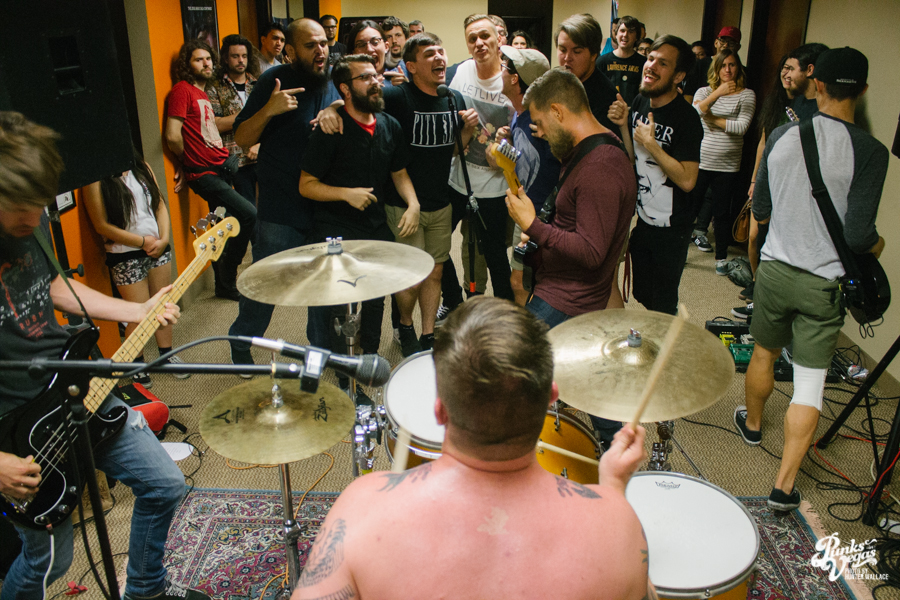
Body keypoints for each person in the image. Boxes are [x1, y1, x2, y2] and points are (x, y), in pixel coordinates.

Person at [291, 296, 653, 600]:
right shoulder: (615, 525)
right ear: (551, 398)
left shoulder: (363, 509)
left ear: (439, 410)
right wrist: (613, 489)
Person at [0, 111, 203, 600]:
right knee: (50, 561)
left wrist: (139, 310)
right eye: (20, 207)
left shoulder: (32, 219)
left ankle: (146, 590)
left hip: (72, 387)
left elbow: (52, 284)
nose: (34, 216)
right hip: (14, 428)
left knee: (164, 485)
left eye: (40, 203)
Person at [733, 47, 888, 512]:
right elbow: (859, 236)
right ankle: (783, 487)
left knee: (764, 351)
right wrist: (878, 246)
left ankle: (753, 426)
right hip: (823, 284)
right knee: (809, 382)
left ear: (817, 84)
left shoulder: (783, 135)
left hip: (776, 271)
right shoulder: (871, 152)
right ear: (862, 90)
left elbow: (761, 209)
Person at [505, 68, 636, 447]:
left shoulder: (600, 167)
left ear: (558, 111)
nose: (540, 133)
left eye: (541, 123)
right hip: (570, 292)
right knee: (594, 389)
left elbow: (592, 252)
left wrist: (533, 226)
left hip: (568, 299)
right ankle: (615, 456)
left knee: (508, 373)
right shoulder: (590, 150)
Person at [226, 18, 340, 370]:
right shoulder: (272, 81)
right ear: (290, 51)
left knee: (323, 289)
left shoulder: (336, 79)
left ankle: (319, 353)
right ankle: (242, 341)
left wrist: (335, 109)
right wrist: (269, 110)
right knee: (267, 284)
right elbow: (242, 138)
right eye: (310, 45)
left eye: (323, 43)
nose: (320, 51)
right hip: (280, 207)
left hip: (323, 205)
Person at [299, 54, 420, 372]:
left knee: (375, 297)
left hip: (374, 226)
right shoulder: (331, 128)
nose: (376, 82)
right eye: (365, 78)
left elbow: (399, 173)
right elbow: (306, 185)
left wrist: (413, 204)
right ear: (345, 89)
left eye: (375, 76)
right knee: (342, 304)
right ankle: (344, 368)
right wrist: (345, 194)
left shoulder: (389, 125)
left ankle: (368, 357)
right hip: (335, 228)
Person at [380, 33, 478, 355]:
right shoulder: (397, 97)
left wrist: (467, 130)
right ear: (411, 66)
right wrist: (333, 109)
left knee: (435, 271)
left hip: (440, 202)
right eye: (429, 54)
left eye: (440, 51)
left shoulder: (453, 99)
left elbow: (453, 151)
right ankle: (404, 326)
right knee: (412, 274)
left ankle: (427, 333)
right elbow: (356, 101)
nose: (439, 58)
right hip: (403, 203)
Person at [608, 35, 702, 316]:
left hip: (672, 230)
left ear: (679, 76)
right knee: (643, 295)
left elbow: (688, 180)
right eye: (650, 58)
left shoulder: (687, 118)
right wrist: (624, 125)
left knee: (663, 306)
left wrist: (652, 145)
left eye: (663, 63)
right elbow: (632, 159)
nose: (651, 66)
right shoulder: (641, 101)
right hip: (643, 221)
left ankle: (666, 344)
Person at [83, 147, 189, 388]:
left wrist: (163, 239)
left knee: (163, 304)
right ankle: (136, 362)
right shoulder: (95, 179)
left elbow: (160, 205)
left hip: (158, 248)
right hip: (125, 254)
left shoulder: (142, 167)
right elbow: (101, 225)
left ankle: (166, 354)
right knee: (137, 313)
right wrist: (142, 242)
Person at [165, 39, 257, 302]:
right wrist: (186, 162)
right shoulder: (182, 90)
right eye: (198, 60)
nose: (206, 64)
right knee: (249, 214)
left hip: (221, 167)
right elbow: (173, 135)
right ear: (187, 65)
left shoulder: (202, 93)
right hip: (202, 172)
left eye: (208, 59)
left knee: (221, 226)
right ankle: (229, 275)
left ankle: (223, 284)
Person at [440, 13, 516, 312]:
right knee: (437, 247)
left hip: (494, 186)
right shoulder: (461, 71)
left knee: (495, 256)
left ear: (499, 39)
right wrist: (462, 125)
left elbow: (522, 139)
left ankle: (506, 317)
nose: (479, 43)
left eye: (485, 36)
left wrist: (505, 144)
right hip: (457, 179)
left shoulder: (510, 78)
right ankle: (453, 302)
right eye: (472, 38)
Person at [492, 46, 559, 306]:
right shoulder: (520, 115)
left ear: (515, 78)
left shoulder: (540, 119)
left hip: (540, 216)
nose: (499, 71)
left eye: (503, 67)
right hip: (526, 210)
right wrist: (508, 141)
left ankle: (529, 331)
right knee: (522, 281)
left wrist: (539, 220)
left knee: (522, 282)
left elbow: (559, 167)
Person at [690, 49, 756, 270]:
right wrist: (717, 93)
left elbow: (741, 127)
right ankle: (679, 255)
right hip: (701, 160)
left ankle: (720, 259)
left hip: (728, 165)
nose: (727, 70)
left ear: (738, 68)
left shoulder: (747, 95)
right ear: (716, 68)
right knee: (690, 208)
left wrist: (710, 117)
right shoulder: (704, 91)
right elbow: (694, 114)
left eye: (732, 65)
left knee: (721, 213)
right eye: (723, 65)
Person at [206, 34, 260, 209]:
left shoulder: (258, 84)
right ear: (226, 59)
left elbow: (269, 120)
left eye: (244, 56)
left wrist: (259, 144)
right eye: (235, 56)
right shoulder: (215, 87)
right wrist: (250, 115)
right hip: (234, 161)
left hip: (260, 156)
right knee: (245, 211)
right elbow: (215, 124)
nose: (241, 60)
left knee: (265, 211)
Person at [555, 14, 620, 133]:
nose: (567, 58)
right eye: (562, 50)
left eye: (577, 51)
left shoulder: (606, 99)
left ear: (593, 55)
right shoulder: (558, 81)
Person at [596, 15, 646, 105]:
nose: (625, 35)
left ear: (637, 37)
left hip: (633, 111)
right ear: (616, 34)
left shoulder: (643, 63)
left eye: (630, 32)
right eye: (622, 31)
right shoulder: (602, 61)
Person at [682, 26, 740, 101]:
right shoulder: (700, 64)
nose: (726, 45)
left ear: (738, 47)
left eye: (731, 43)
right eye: (722, 41)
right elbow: (688, 94)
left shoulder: (742, 71)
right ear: (716, 43)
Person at [348, 21, 406, 87]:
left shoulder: (403, 70)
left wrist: (405, 88)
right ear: (353, 53)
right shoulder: (348, 82)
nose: (369, 49)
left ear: (386, 46)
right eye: (361, 45)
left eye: (375, 42)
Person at [784, 43, 830, 121]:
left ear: (810, 70)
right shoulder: (798, 100)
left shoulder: (826, 108)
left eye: (791, 69)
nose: (787, 75)